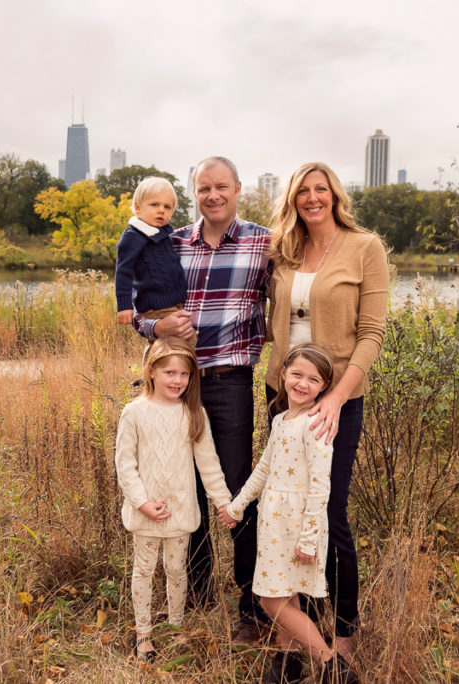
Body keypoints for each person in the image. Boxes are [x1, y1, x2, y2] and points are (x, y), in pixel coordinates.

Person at [133, 156, 272, 642]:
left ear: (237, 188)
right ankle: (194, 591)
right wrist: (155, 326)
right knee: (180, 483)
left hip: (231, 382)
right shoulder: (168, 243)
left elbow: (297, 291)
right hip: (177, 382)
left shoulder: (264, 242)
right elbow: (136, 307)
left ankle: (252, 606)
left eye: (221, 187)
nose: (212, 196)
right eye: (203, 188)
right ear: (195, 193)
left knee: (233, 491)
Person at [266, 161, 388, 659]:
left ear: (335, 195)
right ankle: (292, 634)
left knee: (327, 510)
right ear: (293, 199)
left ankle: (343, 634)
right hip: (280, 395)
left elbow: (372, 335)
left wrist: (336, 397)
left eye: (321, 190)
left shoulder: (365, 248)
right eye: (303, 191)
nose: (312, 198)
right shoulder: (284, 250)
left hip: (335, 402)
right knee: (279, 510)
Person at [222, 344, 359, 684]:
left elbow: (320, 487)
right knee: (285, 594)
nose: (302, 383)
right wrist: (237, 506)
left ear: (324, 387)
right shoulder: (282, 420)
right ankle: (288, 665)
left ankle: (333, 668)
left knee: (271, 601)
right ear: (282, 374)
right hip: (273, 523)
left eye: (313, 379)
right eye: (297, 374)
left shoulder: (316, 425)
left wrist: (310, 540)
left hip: (298, 527)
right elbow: (264, 469)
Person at [114, 336, 235, 662]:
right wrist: (141, 502)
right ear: (151, 371)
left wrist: (223, 502)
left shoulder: (194, 414)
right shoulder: (134, 413)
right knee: (143, 570)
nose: (177, 380)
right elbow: (125, 465)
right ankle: (143, 636)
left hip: (179, 511)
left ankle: (175, 630)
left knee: (177, 570)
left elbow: (209, 465)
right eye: (169, 372)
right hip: (146, 512)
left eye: (184, 374)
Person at [114, 177, 188, 336]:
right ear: (137, 208)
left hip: (176, 305)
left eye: (167, 207)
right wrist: (124, 306)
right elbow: (123, 272)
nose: (161, 210)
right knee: (173, 345)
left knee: (189, 342)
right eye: (155, 205)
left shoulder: (165, 235)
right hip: (155, 308)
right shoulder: (133, 236)